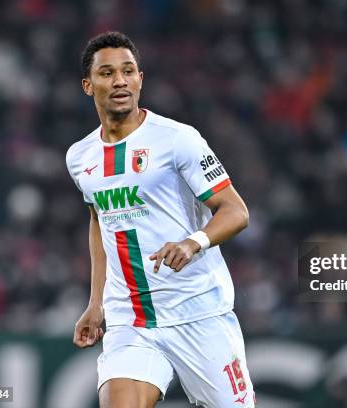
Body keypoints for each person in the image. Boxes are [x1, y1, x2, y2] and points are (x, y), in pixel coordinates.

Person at [66, 31, 255, 408]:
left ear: (140, 79)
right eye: (106, 73)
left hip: (198, 312)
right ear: (88, 85)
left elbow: (236, 211)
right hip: (130, 319)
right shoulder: (80, 157)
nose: (119, 80)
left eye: (128, 71)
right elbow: (101, 222)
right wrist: (96, 303)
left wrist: (193, 242)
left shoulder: (178, 140)